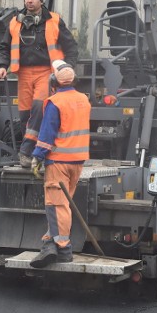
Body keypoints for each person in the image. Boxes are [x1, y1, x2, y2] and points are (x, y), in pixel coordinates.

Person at [0, 0, 79, 168]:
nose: (30, 0)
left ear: (41, 1)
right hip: (23, 74)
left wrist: (68, 67)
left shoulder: (55, 21)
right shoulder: (15, 22)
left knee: (39, 108)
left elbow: (71, 47)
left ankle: (24, 152)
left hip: (46, 73)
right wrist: (2, 66)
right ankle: (36, 153)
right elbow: (4, 48)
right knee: (25, 117)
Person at [29, 61, 91, 268]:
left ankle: (63, 247)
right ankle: (49, 242)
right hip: (77, 161)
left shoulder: (55, 102)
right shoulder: (84, 100)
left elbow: (47, 134)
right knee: (61, 205)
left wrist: (37, 156)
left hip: (59, 162)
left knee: (56, 205)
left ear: (54, 81)